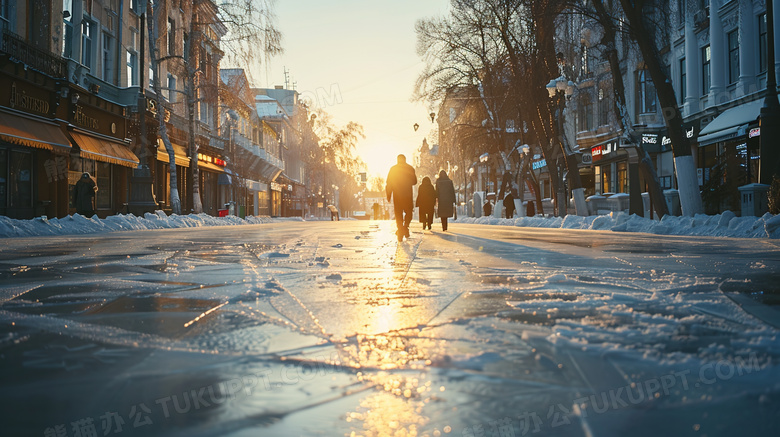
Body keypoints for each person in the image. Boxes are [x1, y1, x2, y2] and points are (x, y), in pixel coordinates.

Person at [386, 154, 417, 241]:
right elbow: (414, 182)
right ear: (405, 159)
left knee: (398, 213)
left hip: (397, 195)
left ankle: (400, 230)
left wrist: (388, 195)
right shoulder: (410, 168)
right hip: (407, 195)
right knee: (409, 212)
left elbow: (389, 183)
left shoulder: (393, 169)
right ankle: (405, 227)